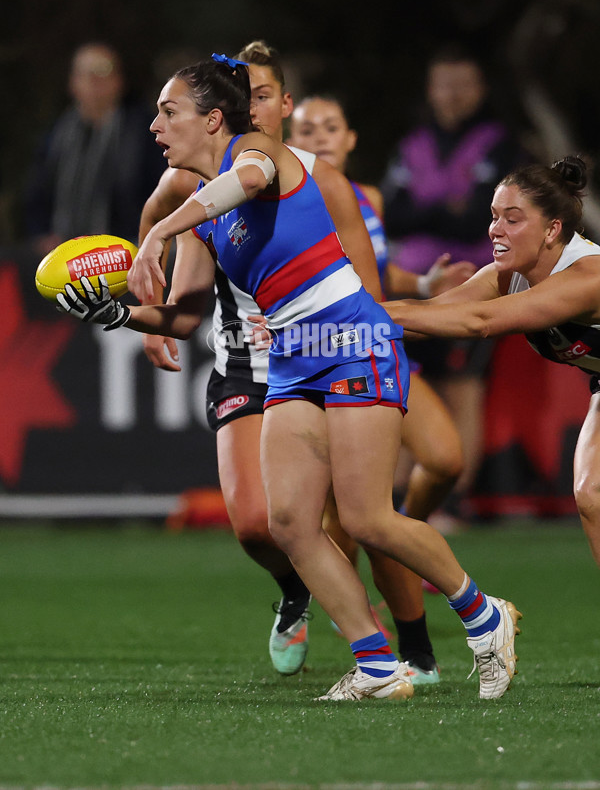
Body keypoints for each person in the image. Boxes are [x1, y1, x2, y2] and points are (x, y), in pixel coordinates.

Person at [57, 54, 522, 702]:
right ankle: (379, 665)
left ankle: (484, 614)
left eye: (170, 112)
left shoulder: (259, 153)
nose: (155, 125)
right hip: (293, 357)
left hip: (353, 341)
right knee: (289, 523)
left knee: (367, 518)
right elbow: (187, 315)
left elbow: (243, 180)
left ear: (213, 117)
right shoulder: (199, 208)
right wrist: (119, 313)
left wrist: (159, 229)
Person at [138, 40, 382, 679]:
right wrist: (133, 295)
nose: (156, 126)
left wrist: (378, 338)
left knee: (371, 511)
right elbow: (166, 238)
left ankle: (414, 643)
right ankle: (309, 597)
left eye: (268, 95)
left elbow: (365, 280)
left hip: (332, 351)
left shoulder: (288, 166)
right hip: (251, 366)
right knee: (258, 526)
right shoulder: (189, 188)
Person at [288, 92, 476, 682]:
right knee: (357, 520)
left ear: (350, 139)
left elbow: (376, 266)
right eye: (306, 128)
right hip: (318, 360)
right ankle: (408, 649)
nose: (319, 135)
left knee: (443, 461)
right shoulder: (287, 195)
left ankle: (409, 545)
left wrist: (421, 281)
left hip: (372, 346)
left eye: (330, 125)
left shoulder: (365, 197)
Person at [384, 155, 600, 569]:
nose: (495, 230)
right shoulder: (506, 273)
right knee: (591, 494)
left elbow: (479, 321)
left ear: (553, 229)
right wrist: (325, 323)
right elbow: (429, 316)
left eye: (512, 219)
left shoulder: (586, 275)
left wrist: (343, 313)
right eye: (494, 215)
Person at [380, 45, 530, 513]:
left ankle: (453, 500)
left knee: (462, 388)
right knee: (407, 387)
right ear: (430, 89)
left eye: (462, 84)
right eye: (444, 84)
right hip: (414, 285)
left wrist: (432, 212)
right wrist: (447, 208)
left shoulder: (500, 144)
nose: (453, 94)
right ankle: (405, 498)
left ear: (479, 89)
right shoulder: (414, 143)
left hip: (476, 283)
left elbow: (482, 221)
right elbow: (393, 216)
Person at [24, 42, 166, 254]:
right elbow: (37, 191)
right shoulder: (58, 134)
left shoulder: (144, 131)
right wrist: (41, 234)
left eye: (104, 72)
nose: (95, 81)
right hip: (63, 253)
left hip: (126, 252)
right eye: (87, 74)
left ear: (119, 81)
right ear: (73, 82)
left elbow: (161, 191)